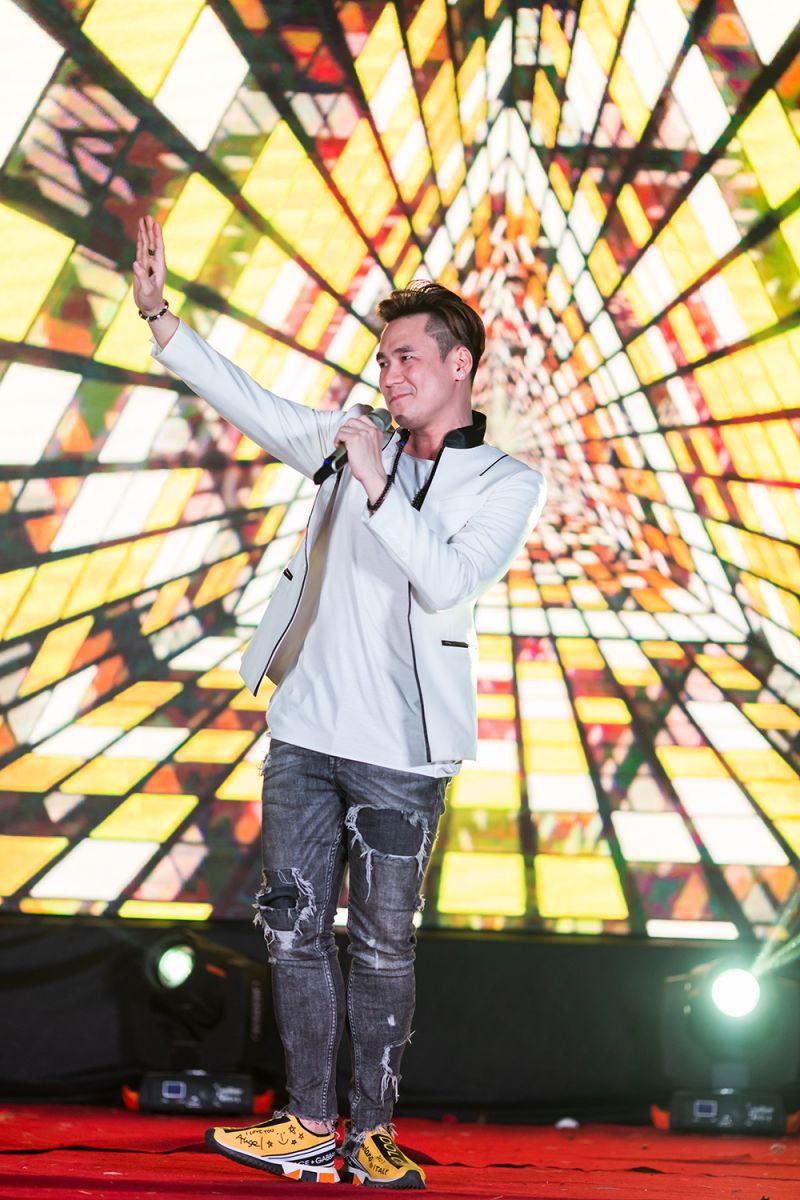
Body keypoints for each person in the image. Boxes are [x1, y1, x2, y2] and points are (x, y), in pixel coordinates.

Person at [132, 214, 546, 1188]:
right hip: (304, 734)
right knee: (291, 928)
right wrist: (160, 320)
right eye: (382, 358)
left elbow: (446, 580)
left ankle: (373, 1133)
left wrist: (375, 482)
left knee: (384, 947)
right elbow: (254, 404)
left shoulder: (503, 481)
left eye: (405, 357)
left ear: (458, 364)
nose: (388, 374)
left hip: (401, 752)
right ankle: (311, 1122)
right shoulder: (350, 439)